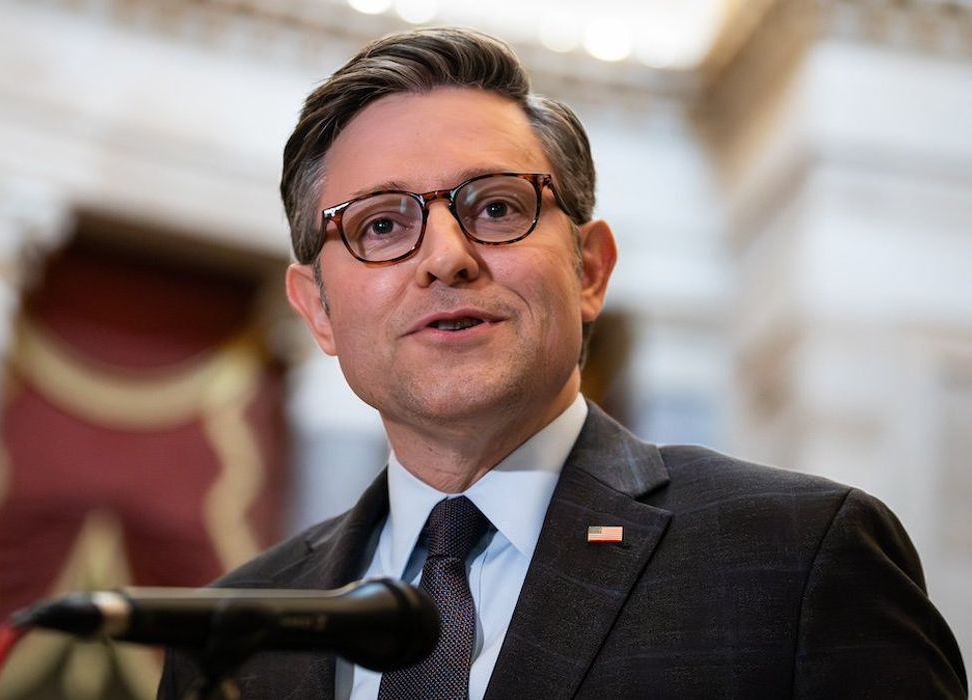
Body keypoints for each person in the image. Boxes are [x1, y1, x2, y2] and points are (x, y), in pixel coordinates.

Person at [160, 27, 967, 699]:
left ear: (588, 270)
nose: (445, 258)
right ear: (317, 310)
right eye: (378, 227)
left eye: (498, 208)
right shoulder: (233, 631)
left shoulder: (794, 557)